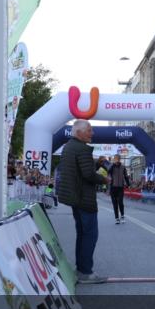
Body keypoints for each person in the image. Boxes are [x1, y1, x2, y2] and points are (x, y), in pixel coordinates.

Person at [57, 120, 106, 284]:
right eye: (89, 130)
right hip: (84, 198)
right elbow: (88, 175)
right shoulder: (83, 148)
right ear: (79, 132)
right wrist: (105, 179)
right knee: (90, 235)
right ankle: (85, 272)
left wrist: (95, 164)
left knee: (82, 233)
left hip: (74, 197)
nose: (92, 133)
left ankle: (81, 269)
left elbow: (78, 171)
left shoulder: (68, 147)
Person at [108, 154, 130, 224]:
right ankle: (117, 218)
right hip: (113, 187)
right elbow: (108, 172)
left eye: (118, 158)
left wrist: (128, 184)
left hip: (120, 187)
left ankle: (122, 216)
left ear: (120, 159)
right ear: (114, 159)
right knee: (115, 203)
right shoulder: (111, 166)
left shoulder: (123, 167)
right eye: (115, 158)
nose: (117, 160)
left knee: (120, 202)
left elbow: (126, 176)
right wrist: (113, 164)